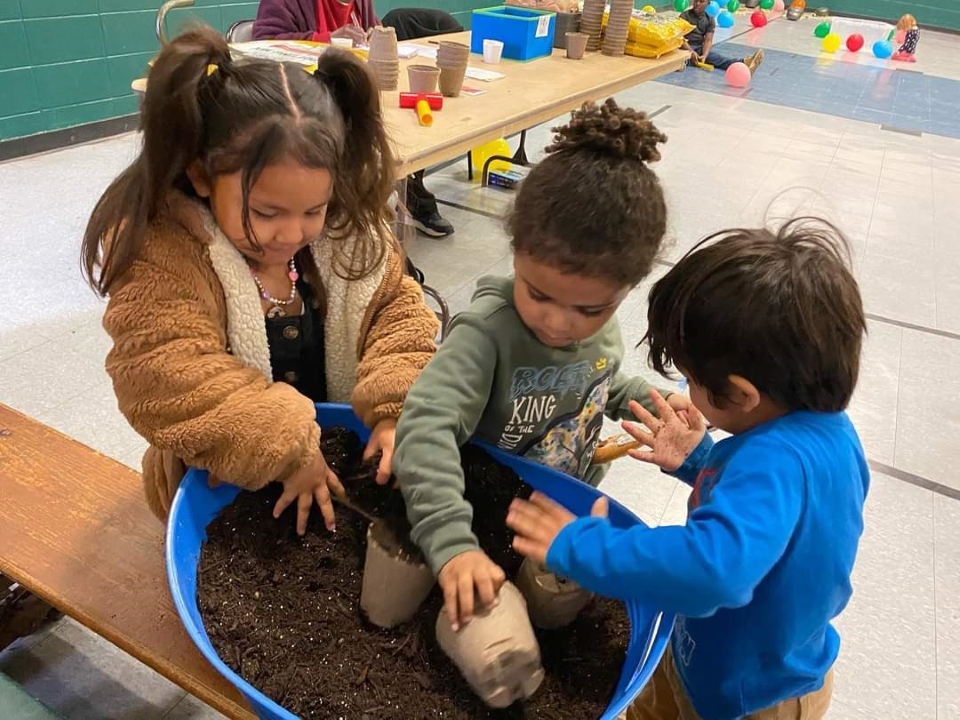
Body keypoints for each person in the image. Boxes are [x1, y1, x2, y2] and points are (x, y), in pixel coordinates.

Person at [81, 27, 439, 535]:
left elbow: (395, 312)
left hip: (330, 460)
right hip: (225, 477)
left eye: (313, 209)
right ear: (203, 176)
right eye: (266, 212)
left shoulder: (347, 236)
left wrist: (395, 408)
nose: (291, 234)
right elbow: (162, 373)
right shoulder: (168, 254)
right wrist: (286, 449)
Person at [507, 220, 870, 720]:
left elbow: (712, 572)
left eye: (693, 379)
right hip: (710, 652)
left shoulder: (774, 462)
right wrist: (701, 462)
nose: (687, 388)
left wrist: (585, 547)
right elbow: (776, 521)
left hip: (748, 696)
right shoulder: (823, 428)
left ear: (743, 394)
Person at [394, 98, 692, 641]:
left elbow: (598, 380)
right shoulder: (487, 334)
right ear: (515, 255)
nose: (559, 324)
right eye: (539, 294)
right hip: (475, 515)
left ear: (627, 287)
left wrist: (645, 400)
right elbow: (425, 429)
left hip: (557, 512)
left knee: (551, 616)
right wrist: (451, 544)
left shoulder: (600, 333)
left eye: (591, 309)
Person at [253, 0, 458, 238]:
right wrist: (326, 38)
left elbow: (372, 32)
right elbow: (263, 41)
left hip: (351, 98)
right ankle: (355, 215)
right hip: (304, 102)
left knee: (405, 126)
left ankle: (406, 199)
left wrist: (374, 35)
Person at [681, 0, 764, 72]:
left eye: (702, 1)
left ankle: (744, 63)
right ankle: (685, 62)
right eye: (696, 1)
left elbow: (708, 40)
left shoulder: (710, 20)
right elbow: (680, 38)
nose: (697, 3)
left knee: (718, 59)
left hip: (698, 49)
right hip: (684, 49)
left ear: (708, 3)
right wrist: (691, 52)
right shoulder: (684, 16)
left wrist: (705, 55)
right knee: (683, 60)